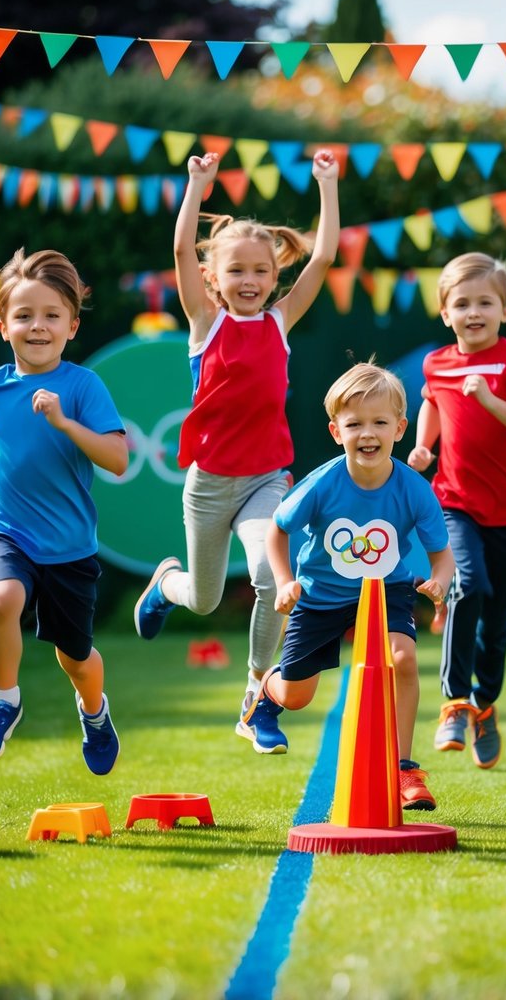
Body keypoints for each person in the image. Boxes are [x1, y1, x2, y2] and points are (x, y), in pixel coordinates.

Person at [134, 148, 340, 752]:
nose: (250, 281)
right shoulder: (207, 324)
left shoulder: (279, 323)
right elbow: (179, 252)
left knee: (268, 576)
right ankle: (164, 583)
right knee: (201, 599)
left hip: (265, 481)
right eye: (237, 272)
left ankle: (255, 694)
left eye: (261, 271)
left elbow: (324, 255)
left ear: (274, 277)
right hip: (207, 484)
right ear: (214, 280)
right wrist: (197, 186)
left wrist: (326, 185)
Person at [0, 249, 128, 773]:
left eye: (51, 316)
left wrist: (65, 424)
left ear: (72, 326)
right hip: (2, 530)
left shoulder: (83, 387)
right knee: (1, 597)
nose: (37, 326)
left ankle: (95, 712)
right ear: (3, 326)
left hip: (69, 547)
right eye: (24, 315)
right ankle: (3, 701)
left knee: (76, 660)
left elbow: (118, 459)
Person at [240, 361, 455, 808]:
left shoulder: (415, 490)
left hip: (386, 591)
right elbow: (277, 529)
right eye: (355, 423)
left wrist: (439, 581)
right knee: (298, 697)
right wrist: (284, 582)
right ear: (336, 431)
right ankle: (266, 693)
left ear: (400, 428)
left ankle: (405, 772)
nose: (368, 433)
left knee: (404, 659)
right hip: (320, 595)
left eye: (379, 422)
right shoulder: (323, 483)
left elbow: (442, 554)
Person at [408, 253, 506, 768]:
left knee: (497, 623)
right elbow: (430, 400)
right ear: (445, 312)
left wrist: (490, 401)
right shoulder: (437, 363)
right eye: (462, 303)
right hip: (454, 501)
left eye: (484, 302)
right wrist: (425, 446)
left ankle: (486, 707)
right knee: (465, 584)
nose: (474, 312)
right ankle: (454, 702)